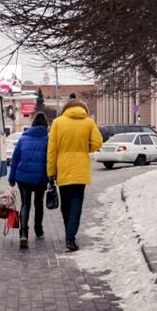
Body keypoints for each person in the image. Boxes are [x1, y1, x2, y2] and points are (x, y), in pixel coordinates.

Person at [47, 98, 102, 251]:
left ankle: (69, 234)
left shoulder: (57, 123)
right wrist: (84, 148)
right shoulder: (89, 122)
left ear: (65, 108)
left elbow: (52, 151)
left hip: (63, 169)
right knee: (76, 204)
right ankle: (70, 237)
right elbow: (98, 142)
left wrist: (51, 172)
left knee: (65, 205)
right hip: (80, 170)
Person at [8, 112, 49, 249]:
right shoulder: (48, 139)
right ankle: (38, 230)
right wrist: (52, 177)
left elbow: (15, 159)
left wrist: (12, 178)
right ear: (45, 125)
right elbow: (50, 160)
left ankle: (24, 234)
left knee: (25, 204)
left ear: (33, 124)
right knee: (39, 203)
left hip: (23, 178)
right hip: (40, 177)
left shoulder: (23, 139)